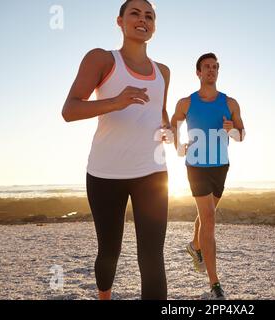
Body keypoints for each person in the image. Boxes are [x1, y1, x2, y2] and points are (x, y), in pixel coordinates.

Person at [61, 0, 172, 300]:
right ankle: (104, 295)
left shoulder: (163, 71)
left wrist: (167, 129)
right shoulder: (101, 60)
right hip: (104, 173)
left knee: (152, 258)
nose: (143, 19)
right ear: (120, 21)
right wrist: (116, 102)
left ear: (154, 26)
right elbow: (69, 110)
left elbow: (160, 110)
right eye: (134, 13)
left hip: (153, 173)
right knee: (109, 252)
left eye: (149, 16)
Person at [171, 53, 246, 300]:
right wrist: (178, 146)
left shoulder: (230, 102)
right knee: (210, 219)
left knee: (206, 216)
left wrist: (232, 130)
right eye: (207, 67)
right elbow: (174, 122)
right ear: (198, 73)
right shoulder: (187, 102)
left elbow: (242, 133)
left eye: (215, 67)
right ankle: (215, 284)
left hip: (220, 166)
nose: (211, 70)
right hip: (196, 166)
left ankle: (194, 246)